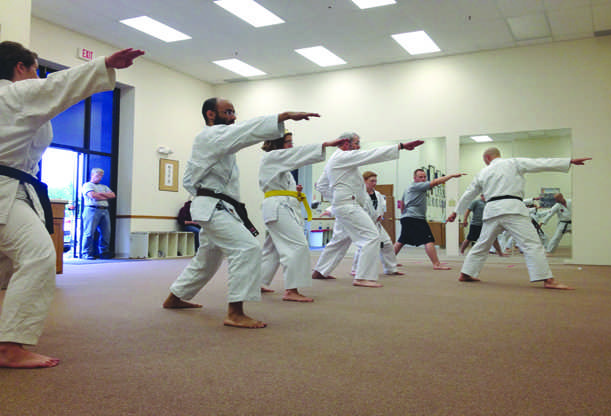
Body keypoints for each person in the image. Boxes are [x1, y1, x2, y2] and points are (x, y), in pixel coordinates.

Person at [0, 41, 144, 368]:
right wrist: (103, 64)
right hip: (4, 188)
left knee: (8, 265)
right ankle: (9, 347)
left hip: (13, 188)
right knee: (38, 255)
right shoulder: (13, 94)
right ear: (20, 68)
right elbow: (58, 87)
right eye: (35, 69)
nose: (38, 77)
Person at [162, 97, 319, 328]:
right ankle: (235, 312)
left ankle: (174, 298)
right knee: (246, 248)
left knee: (207, 259)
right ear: (211, 115)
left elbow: (237, 135)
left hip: (218, 207)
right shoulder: (209, 136)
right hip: (213, 207)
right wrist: (282, 116)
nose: (234, 116)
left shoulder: (221, 145)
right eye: (228, 112)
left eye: (234, 111)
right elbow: (244, 132)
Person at [447, 147, 591, 289]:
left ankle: (466, 273)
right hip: (512, 208)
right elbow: (540, 163)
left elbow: (469, 193)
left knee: (482, 244)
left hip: (492, 211)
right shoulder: (513, 162)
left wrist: (456, 211)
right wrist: (568, 161)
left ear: (487, 158)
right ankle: (548, 280)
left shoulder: (483, 172)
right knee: (531, 244)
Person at [311, 133, 424, 288]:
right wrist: (401, 146)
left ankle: (320, 271)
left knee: (339, 241)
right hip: (348, 206)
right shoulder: (343, 157)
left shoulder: (334, 161)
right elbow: (370, 155)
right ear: (345, 144)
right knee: (371, 237)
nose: (359, 147)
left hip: (344, 205)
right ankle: (362, 277)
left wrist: (337, 198)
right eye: (356, 143)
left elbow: (322, 185)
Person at [259, 131, 345, 302]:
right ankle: (291, 290)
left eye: (292, 142)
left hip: (280, 206)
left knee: (273, 248)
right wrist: (326, 144)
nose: (291, 145)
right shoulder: (273, 157)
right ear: (276, 144)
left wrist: (293, 192)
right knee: (298, 246)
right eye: (288, 142)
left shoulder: (279, 163)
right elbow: (298, 155)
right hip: (278, 207)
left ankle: (259, 282)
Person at [393, 169, 465, 270]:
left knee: (402, 240)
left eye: (424, 177)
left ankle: (389, 261)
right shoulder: (417, 186)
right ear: (415, 178)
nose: (423, 179)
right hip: (415, 218)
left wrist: (404, 215)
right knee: (428, 240)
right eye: (420, 177)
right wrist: (452, 175)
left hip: (408, 217)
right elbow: (435, 182)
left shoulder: (408, 188)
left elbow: (402, 204)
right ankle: (436, 264)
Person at [351, 171, 403, 276]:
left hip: (376, 223)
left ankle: (391, 269)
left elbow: (382, 207)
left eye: (375, 181)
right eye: (371, 181)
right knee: (364, 246)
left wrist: (380, 215)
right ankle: (355, 269)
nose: (374, 183)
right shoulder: (358, 194)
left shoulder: (378, 194)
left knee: (387, 244)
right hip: (364, 224)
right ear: (364, 181)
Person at [81, 168, 115, 259]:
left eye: (101, 176)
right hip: (92, 209)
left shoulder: (104, 186)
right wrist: (104, 195)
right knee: (89, 233)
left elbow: (112, 195)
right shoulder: (87, 185)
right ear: (92, 175)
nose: (99, 178)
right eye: (97, 175)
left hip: (104, 210)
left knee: (106, 233)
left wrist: (99, 195)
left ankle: (104, 252)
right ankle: (86, 253)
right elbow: (92, 196)